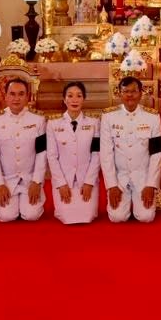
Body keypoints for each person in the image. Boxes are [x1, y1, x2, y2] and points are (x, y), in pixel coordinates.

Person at [101, 77, 161, 223]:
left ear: (141, 93)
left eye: (134, 91)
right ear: (119, 93)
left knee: (146, 217)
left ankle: (139, 201)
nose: (130, 95)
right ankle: (126, 203)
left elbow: (157, 154)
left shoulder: (152, 117)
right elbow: (106, 154)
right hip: (120, 175)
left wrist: (151, 184)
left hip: (142, 175)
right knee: (117, 217)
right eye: (126, 91)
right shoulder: (108, 117)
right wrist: (112, 185)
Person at [0, 78, 48, 222]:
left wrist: (37, 181)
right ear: (6, 96)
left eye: (21, 94)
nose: (16, 98)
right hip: (7, 180)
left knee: (31, 215)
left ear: (27, 96)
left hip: (29, 179)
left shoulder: (38, 120)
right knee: (6, 216)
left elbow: (42, 152)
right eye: (12, 94)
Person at [46, 81, 101, 224]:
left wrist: (89, 182)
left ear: (84, 98)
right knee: (66, 217)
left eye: (79, 96)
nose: (74, 100)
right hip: (64, 179)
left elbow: (96, 155)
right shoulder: (53, 124)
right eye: (70, 96)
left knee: (88, 216)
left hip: (86, 179)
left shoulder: (94, 123)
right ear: (64, 99)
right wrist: (61, 183)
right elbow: (52, 157)